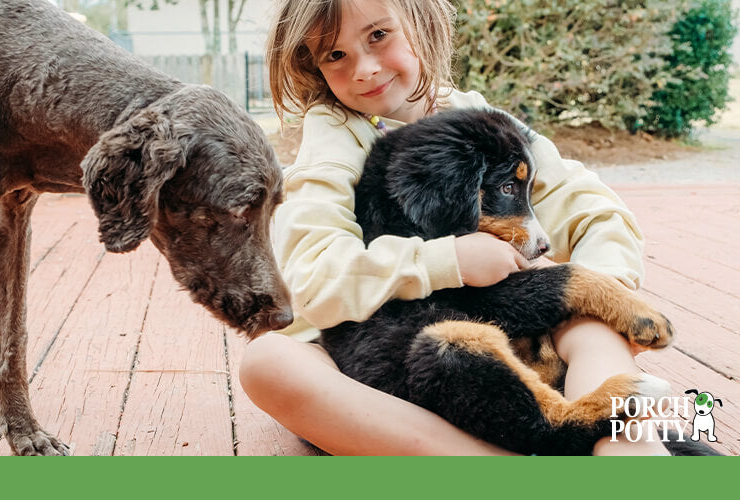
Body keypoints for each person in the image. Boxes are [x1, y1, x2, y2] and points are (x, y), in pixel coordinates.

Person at [239, 0, 669, 456]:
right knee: (268, 362)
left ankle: (626, 452)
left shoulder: (474, 115)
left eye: (379, 35)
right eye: (335, 55)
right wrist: (448, 261)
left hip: (501, 338)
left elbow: (594, 210)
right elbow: (313, 279)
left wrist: (603, 290)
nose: (363, 68)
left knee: (589, 314)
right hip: (368, 363)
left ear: (422, 23)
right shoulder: (332, 137)